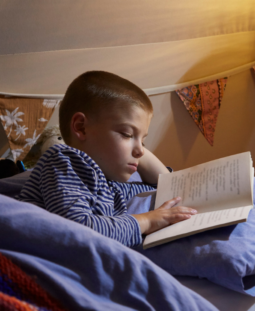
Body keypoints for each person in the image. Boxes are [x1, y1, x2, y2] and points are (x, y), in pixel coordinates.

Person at [18, 71, 197, 247]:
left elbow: (164, 184)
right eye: (127, 134)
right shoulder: (63, 160)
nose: (141, 151)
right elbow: (78, 231)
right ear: (81, 127)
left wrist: (136, 147)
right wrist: (147, 221)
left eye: (143, 140)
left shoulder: (111, 183)